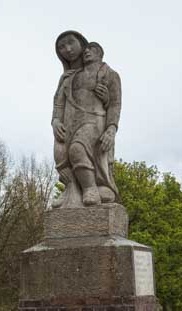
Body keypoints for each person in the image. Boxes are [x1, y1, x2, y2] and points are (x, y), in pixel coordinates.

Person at [51, 34, 122, 207]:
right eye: (61, 47)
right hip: (68, 124)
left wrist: (111, 129)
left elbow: (115, 104)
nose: (67, 49)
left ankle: (91, 188)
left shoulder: (109, 74)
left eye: (70, 43)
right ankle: (72, 190)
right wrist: (55, 121)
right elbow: (58, 102)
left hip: (94, 121)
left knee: (77, 149)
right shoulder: (68, 77)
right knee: (61, 156)